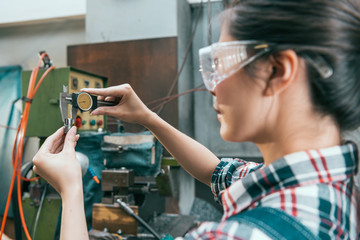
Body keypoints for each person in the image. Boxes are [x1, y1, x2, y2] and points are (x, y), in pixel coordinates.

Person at [32, 0, 360, 239]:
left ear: (278, 71)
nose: (212, 88)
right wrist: (147, 118)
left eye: (223, 63)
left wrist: (71, 188)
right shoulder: (327, 187)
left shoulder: (238, 235)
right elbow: (216, 171)